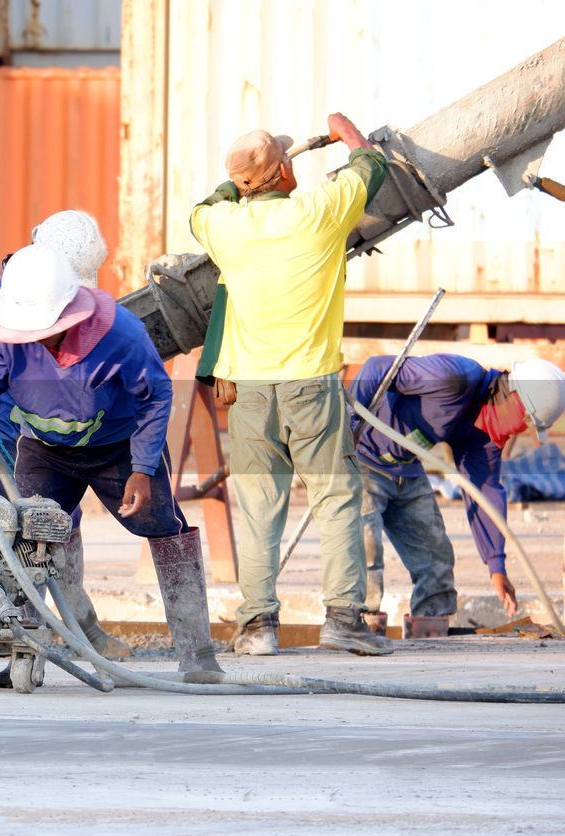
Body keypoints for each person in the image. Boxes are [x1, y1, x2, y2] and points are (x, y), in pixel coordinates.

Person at [0, 243, 222, 675]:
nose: (34, 341)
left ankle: (199, 657)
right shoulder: (8, 337)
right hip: (44, 450)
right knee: (30, 538)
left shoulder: (122, 335)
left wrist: (141, 469)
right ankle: (29, 654)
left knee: (162, 526)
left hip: (118, 446)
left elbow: (155, 397)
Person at [189, 113, 392, 656]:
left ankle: (258, 629)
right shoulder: (318, 212)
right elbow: (370, 165)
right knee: (336, 497)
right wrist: (345, 130)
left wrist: (243, 180)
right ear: (285, 170)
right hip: (310, 386)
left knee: (257, 506)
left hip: (249, 391)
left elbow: (206, 206)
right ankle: (344, 620)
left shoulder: (224, 226)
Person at [0, 210, 130, 660]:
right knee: (10, 541)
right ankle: (24, 637)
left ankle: (76, 631)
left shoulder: (68, 302)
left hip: (41, 442)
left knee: (57, 530)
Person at [352, 354, 565, 626]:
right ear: (514, 398)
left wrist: (495, 565)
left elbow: (484, 489)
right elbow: (377, 368)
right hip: (361, 458)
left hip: (405, 467)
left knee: (436, 559)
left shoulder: (483, 430)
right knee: (364, 549)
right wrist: (348, 424)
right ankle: (357, 629)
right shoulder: (453, 378)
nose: (522, 430)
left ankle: (429, 639)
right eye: (526, 421)